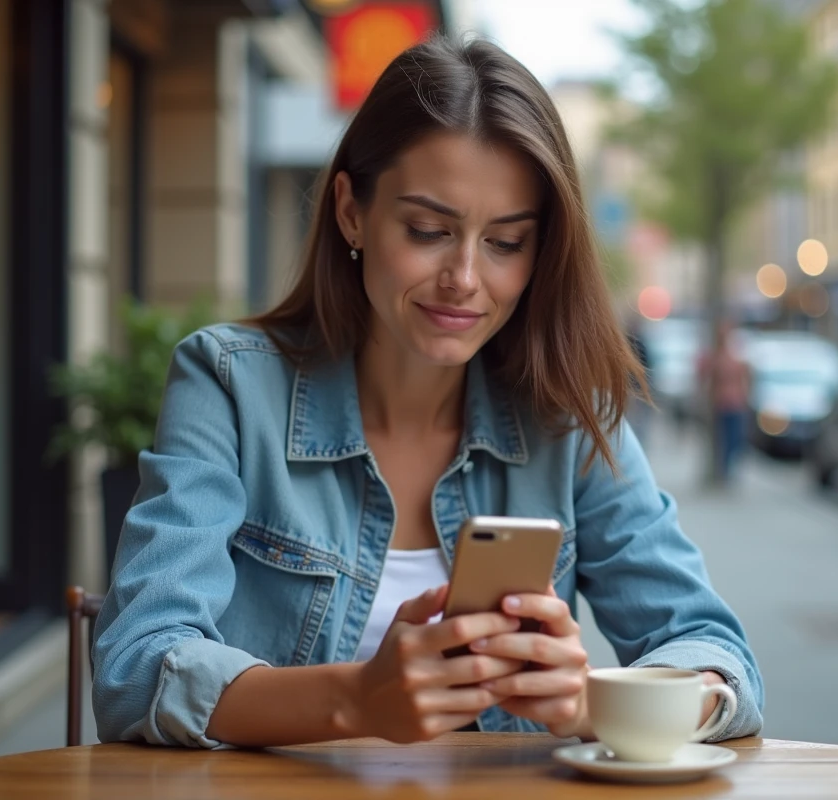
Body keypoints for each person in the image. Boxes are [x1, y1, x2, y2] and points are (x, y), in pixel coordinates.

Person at [92, 36, 763, 750]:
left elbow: (717, 660)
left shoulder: (567, 419)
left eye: (506, 243)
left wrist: (588, 703)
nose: (465, 278)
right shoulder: (228, 385)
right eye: (428, 230)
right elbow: (136, 667)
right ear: (351, 210)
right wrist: (354, 700)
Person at [697, 322, 751, 482]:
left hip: (735, 404)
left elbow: (744, 378)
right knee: (723, 440)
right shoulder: (714, 358)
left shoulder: (735, 355)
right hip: (720, 404)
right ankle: (724, 471)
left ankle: (728, 469)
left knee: (736, 440)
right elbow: (703, 378)